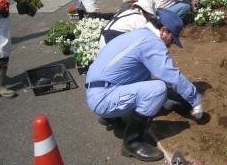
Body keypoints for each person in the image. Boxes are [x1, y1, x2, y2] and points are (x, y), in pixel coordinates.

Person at [85, 9, 204, 161]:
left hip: (97, 88)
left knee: (146, 76)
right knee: (158, 90)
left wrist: (166, 102)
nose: (171, 44)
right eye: (172, 39)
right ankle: (132, 143)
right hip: (102, 98)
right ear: (164, 30)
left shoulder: (139, 34)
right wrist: (195, 99)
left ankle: (111, 118)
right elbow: (171, 74)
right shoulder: (151, 42)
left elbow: (140, 75)